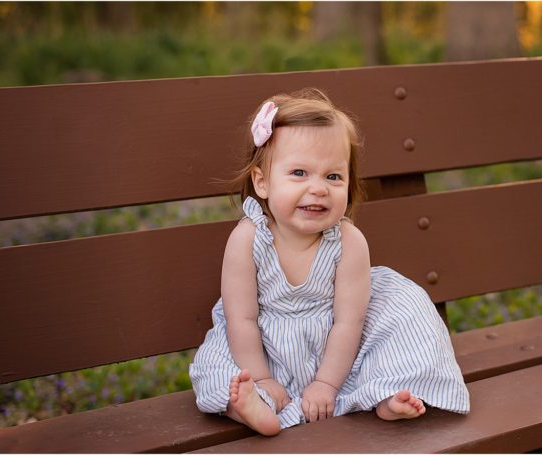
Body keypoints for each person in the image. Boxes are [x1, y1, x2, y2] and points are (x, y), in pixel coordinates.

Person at [189, 88, 470, 435]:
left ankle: (385, 394)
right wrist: (262, 376)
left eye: (333, 176)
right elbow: (241, 319)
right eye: (299, 173)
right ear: (262, 183)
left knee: (405, 307)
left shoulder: (349, 242)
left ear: (349, 185)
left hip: (336, 354)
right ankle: (249, 404)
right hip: (261, 349)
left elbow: (349, 324)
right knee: (215, 367)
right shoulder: (247, 239)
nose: (319, 188)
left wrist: (325, 384)